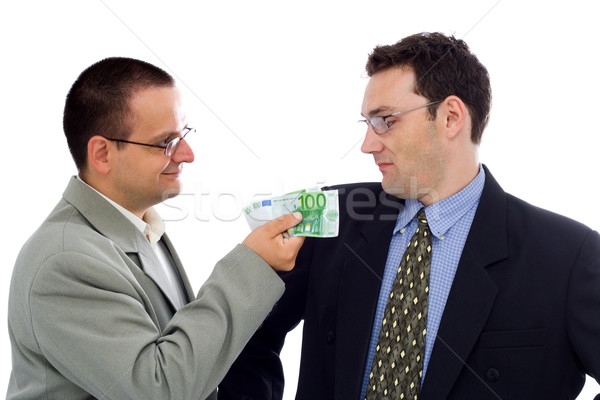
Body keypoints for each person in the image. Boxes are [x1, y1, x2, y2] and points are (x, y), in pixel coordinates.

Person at [218, 32, 600, 399]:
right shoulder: (330, 219)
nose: (368, 144)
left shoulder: (568, 256)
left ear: (450, 117)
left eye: (386, 120)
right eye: (367, 123)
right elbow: (244, 335)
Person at [6, 57, 305, 400]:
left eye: (184, 135)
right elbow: (159, 390)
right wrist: (251, 265)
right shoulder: (64, 262)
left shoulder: (141, 228)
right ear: (102, 153)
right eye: (166, 142)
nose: (187, 154)